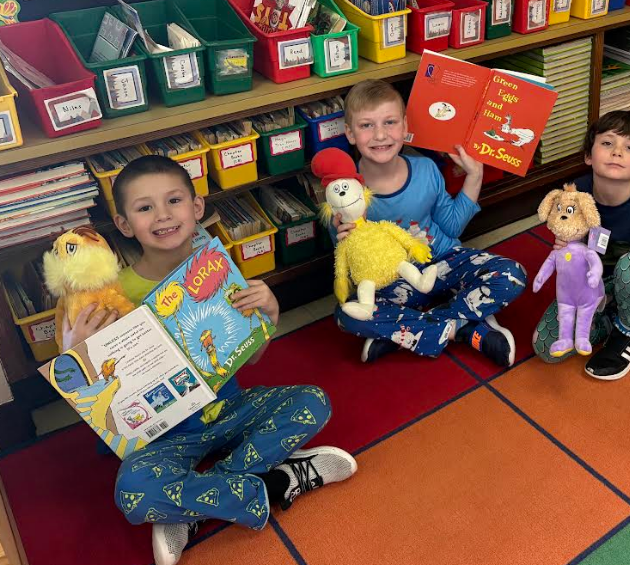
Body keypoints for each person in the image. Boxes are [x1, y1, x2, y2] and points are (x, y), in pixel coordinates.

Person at [63, 155, 356, 565]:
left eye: (174, 201)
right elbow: (96, 403)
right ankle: (276, 482)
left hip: (227, 410)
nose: (163, 216)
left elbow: (251, 358)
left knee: (313, 401)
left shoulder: (217, 270)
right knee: (132, 491)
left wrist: (270, 314)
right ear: (125, 224)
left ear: (196, 207)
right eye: (145, 208)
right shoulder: (112, 296)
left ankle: (196, 503)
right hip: (161, 435)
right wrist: (78, 354)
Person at [332, 79, 526, 366]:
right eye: (366, 125)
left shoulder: (425, 169)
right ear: (350, 133)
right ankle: (465, 329)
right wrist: (339, 233)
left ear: (405, 127)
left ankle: (410, 331)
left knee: (512, 274)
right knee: (346, 315)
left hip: (444, 262)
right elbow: (346, 263)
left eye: (389, 122)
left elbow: (451, 227)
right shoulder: (344, 191)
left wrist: (474, 177)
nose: (380, 134)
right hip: (394, 282)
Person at [532, 111, 630, 380]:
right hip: (594, 288)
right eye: (607, 143)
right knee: (546, 346)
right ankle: (615, 316)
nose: (617, 152)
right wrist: (566, 248)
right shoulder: (574, 195)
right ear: (589, 155)